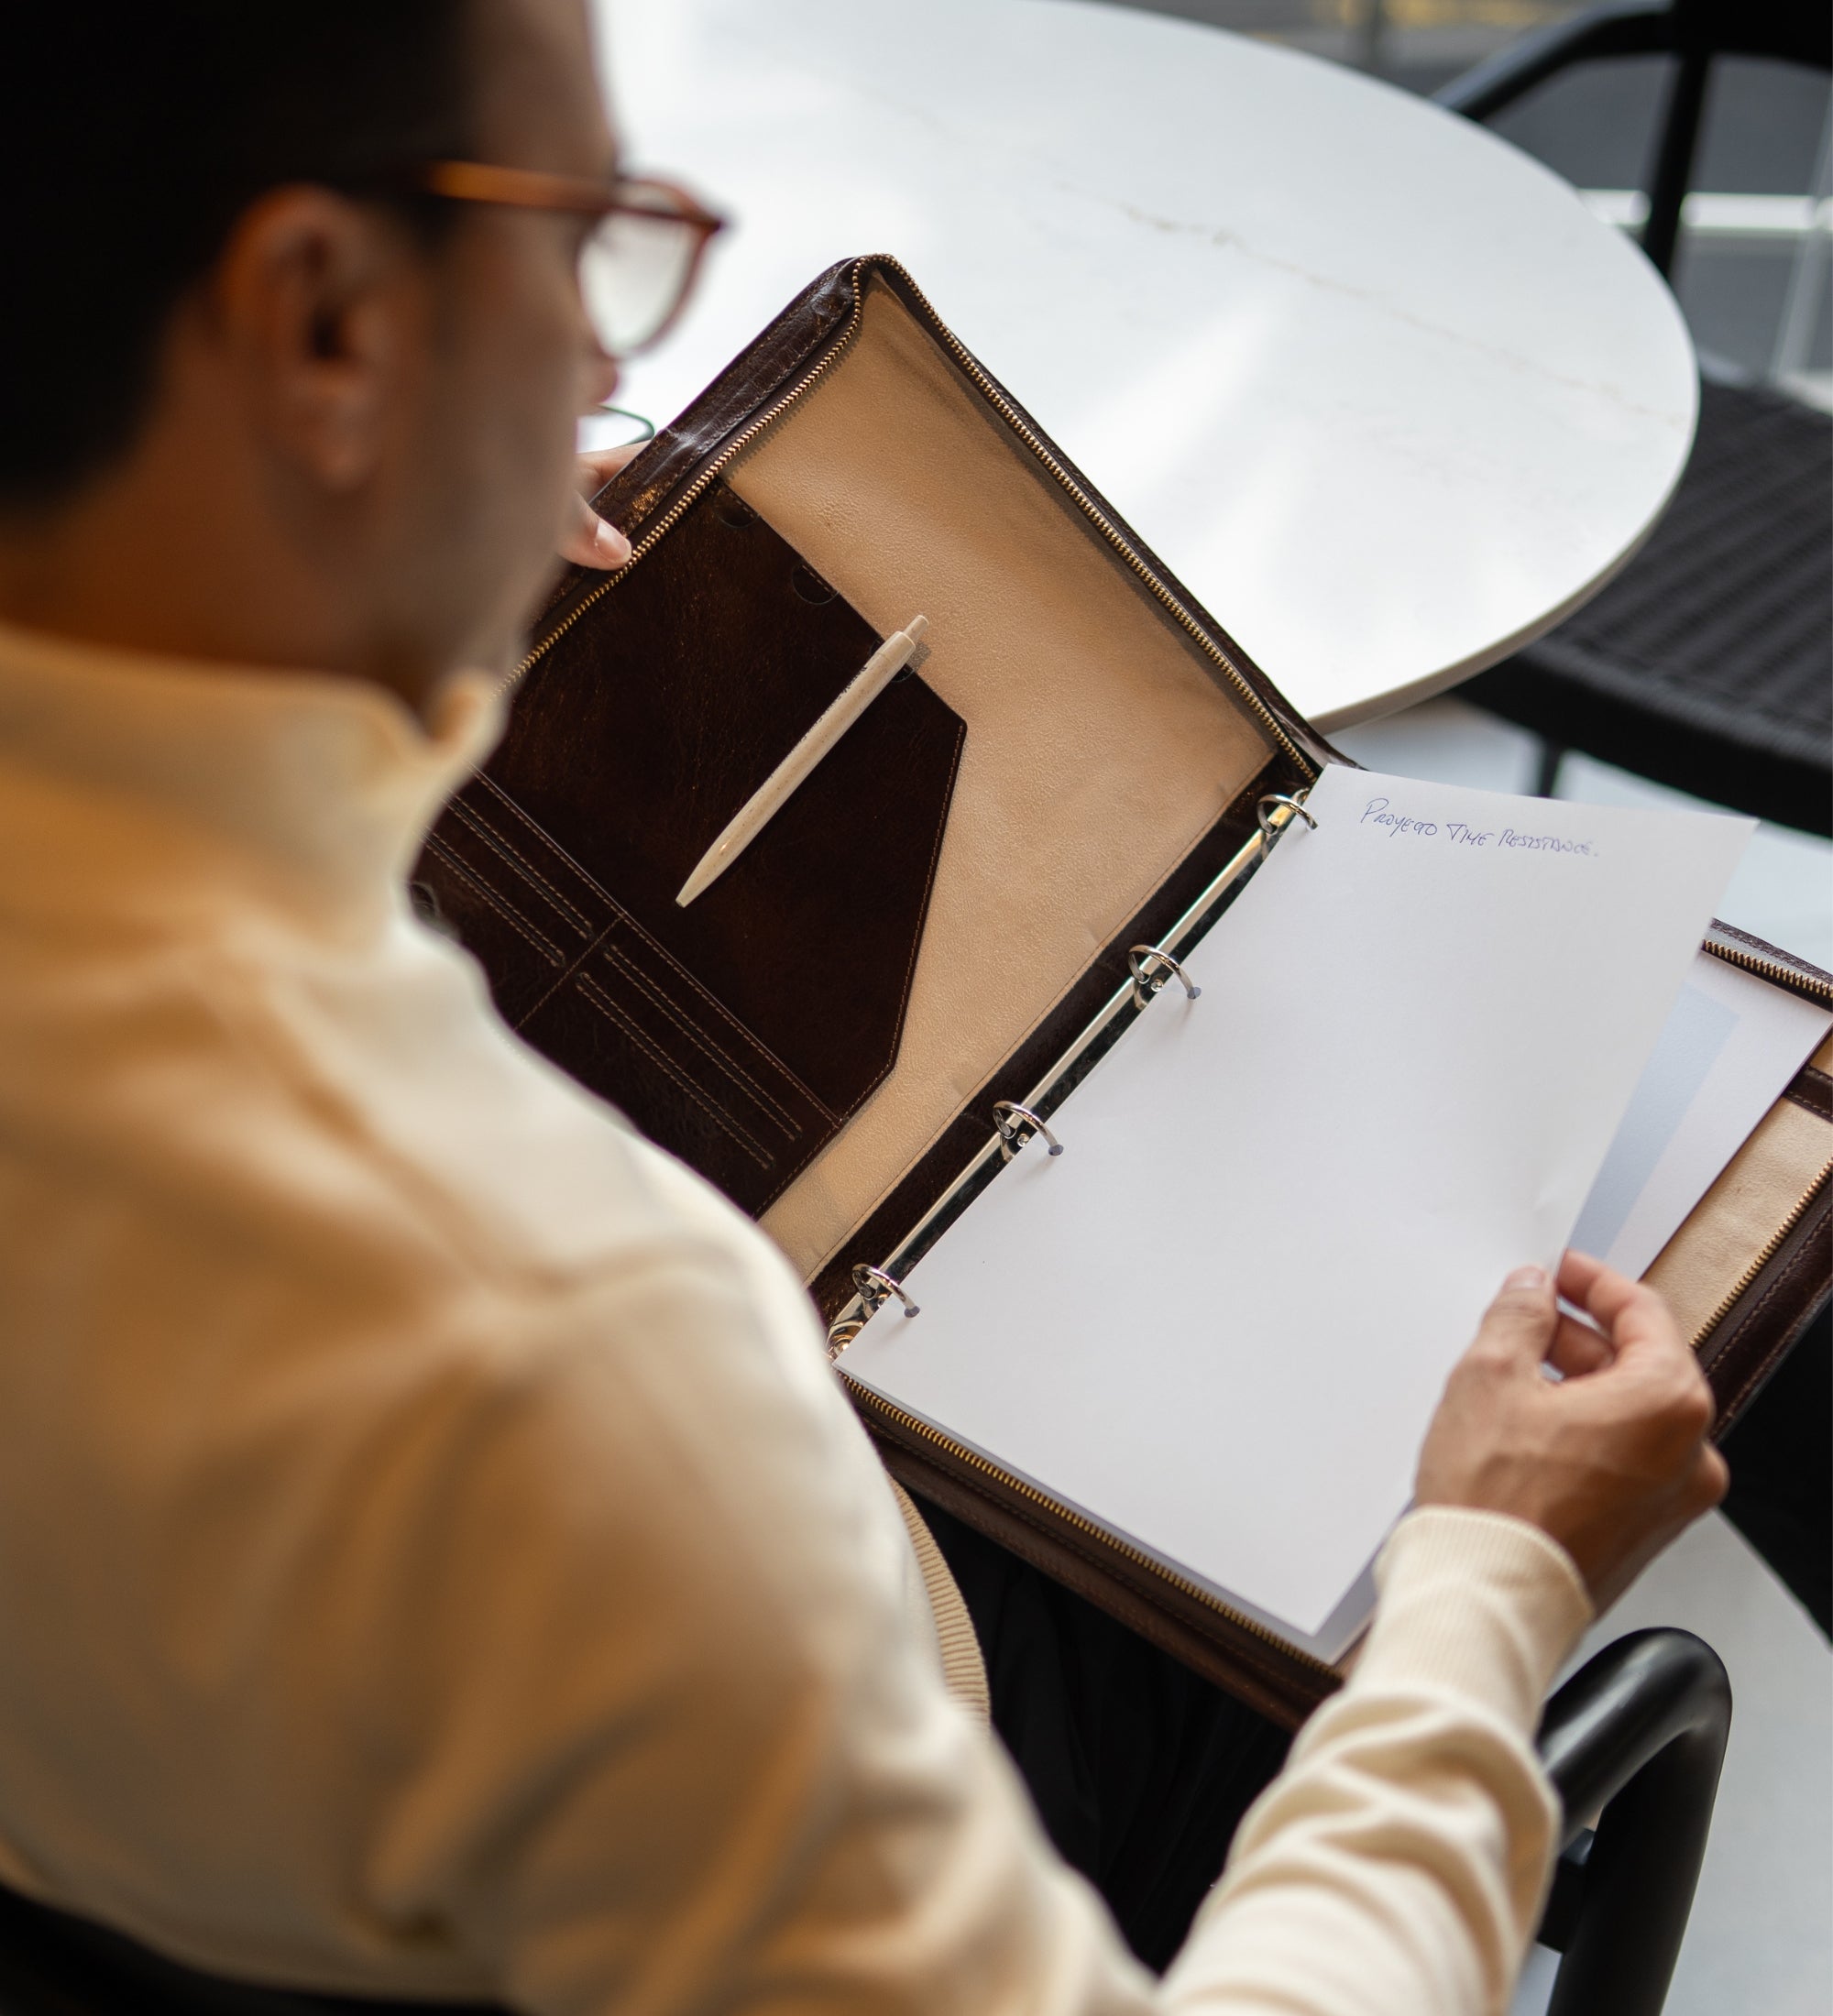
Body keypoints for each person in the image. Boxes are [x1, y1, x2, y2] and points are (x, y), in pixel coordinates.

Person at [0, 4, 1729, 2011]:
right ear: (320, 324)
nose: (599, 352)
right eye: (571, 241)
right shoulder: (559, 1353)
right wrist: (1490, 1588)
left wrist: (368, 561)